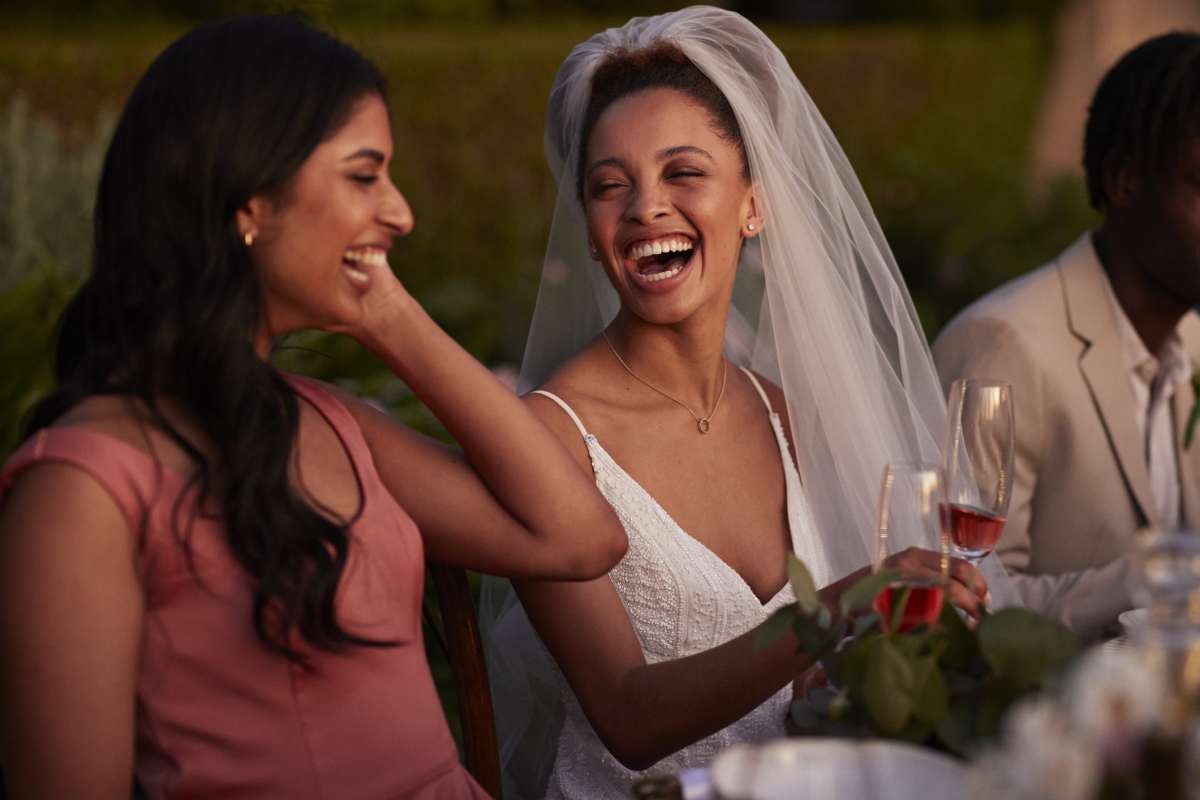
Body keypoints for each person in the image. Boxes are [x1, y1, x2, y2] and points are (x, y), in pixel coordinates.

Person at [0, 15, 626, 799]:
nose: (400, 213)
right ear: (249, 202)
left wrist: (390, 318)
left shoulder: (335, 423)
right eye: (365, 177)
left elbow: (581, 537)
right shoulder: (83, 487)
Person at [481, 8, 1012, 799]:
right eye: (609, 186)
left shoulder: (783, 414)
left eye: (683, 173)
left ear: (754, 205)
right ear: (589, 234)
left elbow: (801, 693)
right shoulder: (546, 438)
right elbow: (628, 717)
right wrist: (847, 603)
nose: (644, 208)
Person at [933, 32, 1200, 638]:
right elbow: (965, 602)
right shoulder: (1001, 347)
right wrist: (1168, 575)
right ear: (1126, 181)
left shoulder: (1192, 338)